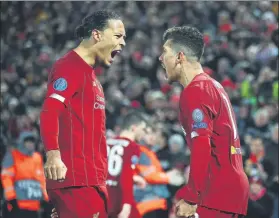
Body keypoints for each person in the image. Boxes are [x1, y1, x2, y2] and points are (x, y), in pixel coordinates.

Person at [40, 10, 126, 218]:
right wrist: (53, 155)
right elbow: (50, 110)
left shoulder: (91, 75)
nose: (123, 43)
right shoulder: (69, 66)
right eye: (118, 36)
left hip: (89, 182)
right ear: (96, 35)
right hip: (78, 181)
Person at [159, 26, 249, 218]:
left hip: (217, 190)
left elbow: (202, 145)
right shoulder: (213, 85)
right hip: (229, 187)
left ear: (179, 57)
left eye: (165, 52)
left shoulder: (196, 91)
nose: (160, 58)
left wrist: (191, 197)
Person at [107, 112, 147, 218]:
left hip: (102, 198)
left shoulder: (107, 142)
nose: (144, 134)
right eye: (143, 129)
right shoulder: (132, 146)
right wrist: (127, 204)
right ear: (134, 128)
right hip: (118, 198)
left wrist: (134, 177)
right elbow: (126, 175)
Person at [1, 131, 49, 218]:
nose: (30, 144)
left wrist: (45, 198)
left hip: (34, 206)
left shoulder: (38, 157)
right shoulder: (12, 156)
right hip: (17, 205)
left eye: (32, 141)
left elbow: (42, 179)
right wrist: (11, 198)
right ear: (22, 142)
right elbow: (6, 177)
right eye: (27, 141)